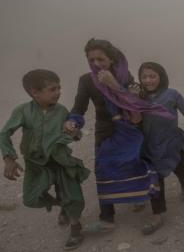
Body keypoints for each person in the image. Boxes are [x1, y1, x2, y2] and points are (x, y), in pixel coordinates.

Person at [64, 39, 172, 232]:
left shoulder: (125, 76)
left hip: (132, 128)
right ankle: (107, 219)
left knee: (146, 166)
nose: (96, 64)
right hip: (106, 131)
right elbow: (78, 108)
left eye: (101, 59)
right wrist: (73, 121)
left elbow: (136, 103)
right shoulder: (86, 80)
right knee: (104, 170)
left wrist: (115, 85)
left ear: (112, 59)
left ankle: (157, 214)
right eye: (92, 59)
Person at [0, 69, 90, 250]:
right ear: (35, 92)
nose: (58, 92)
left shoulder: (61, 111)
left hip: (60, 161)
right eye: (52, 89)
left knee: (72, 195)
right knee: (31, 199)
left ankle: (75, 227)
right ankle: (62, 204)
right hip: (36, 164)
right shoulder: (23, 111)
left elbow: (75, 134)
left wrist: (74, 130)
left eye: (59, 88)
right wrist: (8, 158)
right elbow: (5, 133)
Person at [137, 62, 184, 233]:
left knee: (183, 170)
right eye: (144, 77)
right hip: (150, 147)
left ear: (161, 76)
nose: (148, 80)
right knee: (154, 181)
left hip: (173, 143)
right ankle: (157, 215)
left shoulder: (172, 94)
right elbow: (133, 119)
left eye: (152, 76)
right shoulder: (138, 98)